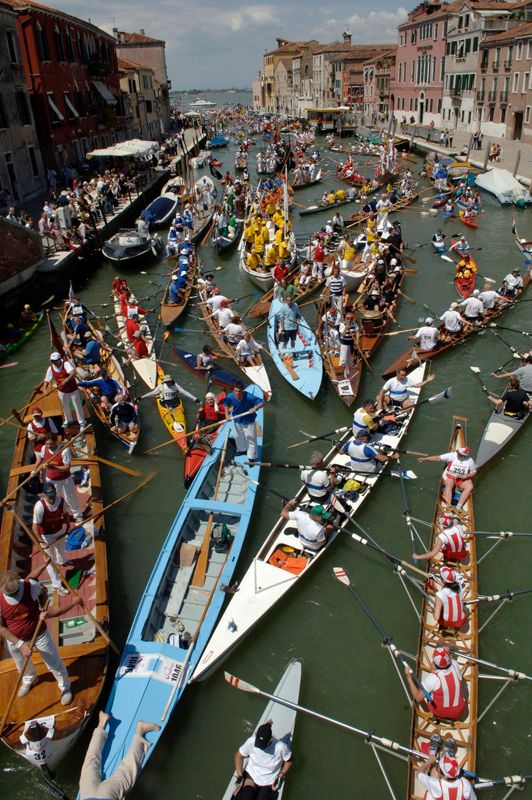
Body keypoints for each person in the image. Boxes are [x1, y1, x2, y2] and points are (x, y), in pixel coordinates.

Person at [0, 569, 77, 704]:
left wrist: (43, 609)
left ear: (19, 583)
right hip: (14, 639)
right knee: (21, 663)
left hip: (39, 633)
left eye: (15, 593)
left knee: (53, 662)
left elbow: (43, 592)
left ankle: (65, 687)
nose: (13, 596)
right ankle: (30, 679)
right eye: (9, 594)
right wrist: (20, 644)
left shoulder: (31, 586)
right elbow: (1, 628)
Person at [79, 711, 160, 800]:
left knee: (127, 770)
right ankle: (101, 723)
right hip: (87, 794)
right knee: (90, 761)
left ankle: (140, 730)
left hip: (106, 796)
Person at [233, 719, 292, 800]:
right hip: (252, 776)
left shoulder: (280, 747)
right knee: (246, 795)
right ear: (256, 734)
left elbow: (289, 760)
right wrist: (239, 777)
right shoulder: (251, 741)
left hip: (269, 781)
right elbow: (239, 756)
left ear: (271, 739)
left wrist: (282, 773)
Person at [31, 432, 83, 521]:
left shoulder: (64, 450)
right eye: (47, 444)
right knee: (54, 499)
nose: (49, 446)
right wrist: (34, 469)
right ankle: (58, 515)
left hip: (65, 478)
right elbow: (40, 459)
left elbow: (67, 467)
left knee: (70, 497)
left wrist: (53, 467)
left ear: (56, 442)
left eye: (51, 444)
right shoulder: (44, 448)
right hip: (51, 479)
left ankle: (77, 515)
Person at [405, 645, 466, 719]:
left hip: (440, 712)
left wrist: (408, 677)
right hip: (460, 711)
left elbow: (418, 698)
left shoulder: (433, 678)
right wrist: (447, 650)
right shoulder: (455, 665)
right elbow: (450, 657)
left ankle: (433, 712)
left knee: (422, 693)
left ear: (434, 663)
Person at [32, 482, 71, 594]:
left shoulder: (61, 501)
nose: (52, 498)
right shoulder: (39, 507)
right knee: (49, 560)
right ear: (44, 495)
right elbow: (35, 526)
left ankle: (62, 561)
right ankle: (56, 585)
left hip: (59, 531)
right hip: (45, 536)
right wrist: (41, 541)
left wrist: (68, 527)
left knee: (61, 550)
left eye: (53, 494)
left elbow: (66, 514)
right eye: (49, 496)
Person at [43, 352, 86, 429]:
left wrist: (67, 379)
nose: (54, 362)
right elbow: (46, 380)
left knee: (77, 406)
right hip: (62, 391)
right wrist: (44, 390)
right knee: (65, 406)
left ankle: (82, 423)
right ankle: (68, 420)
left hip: (72, 390)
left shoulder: (66, 364)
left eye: (55, 360)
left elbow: (73, 373)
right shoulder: (50, 368)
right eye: (52, 361)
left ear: (60, 359)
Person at [224, 381, 265, 460]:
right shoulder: (230, 396)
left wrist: (255, 408)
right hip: (237, 419)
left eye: (239, 391)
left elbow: (262, 402)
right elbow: (226, 403)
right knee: (238, 436)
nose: (237, 393)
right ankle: (242, 450)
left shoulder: (249, 397)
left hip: (248, 420)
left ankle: (252, 456)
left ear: (242, 391)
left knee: (251, 438)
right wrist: (226, 415)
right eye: (235, 391)